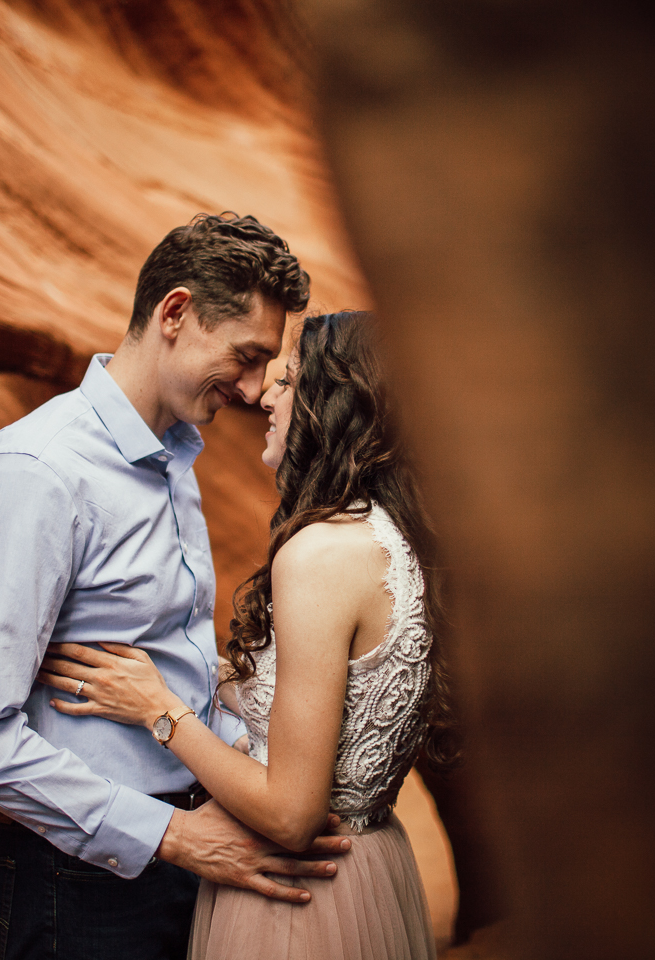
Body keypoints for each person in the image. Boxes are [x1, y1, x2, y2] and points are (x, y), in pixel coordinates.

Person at [0, 214, 353, 960]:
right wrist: (175, 836)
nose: (254, 390)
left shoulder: (174, 459)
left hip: (191, 852)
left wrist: (256, 788)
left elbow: (167, 668)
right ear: (176, 314)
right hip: (79, 882)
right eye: (246, 357)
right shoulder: (37, 472)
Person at [38, 310, 453, 959]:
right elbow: (325, 700)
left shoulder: (319, 554)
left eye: (285, 382)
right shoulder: (389, 539)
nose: (264, 395)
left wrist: (161, 711)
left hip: (303, 899)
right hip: (370, 870)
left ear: (330, 405)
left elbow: (291, 816)